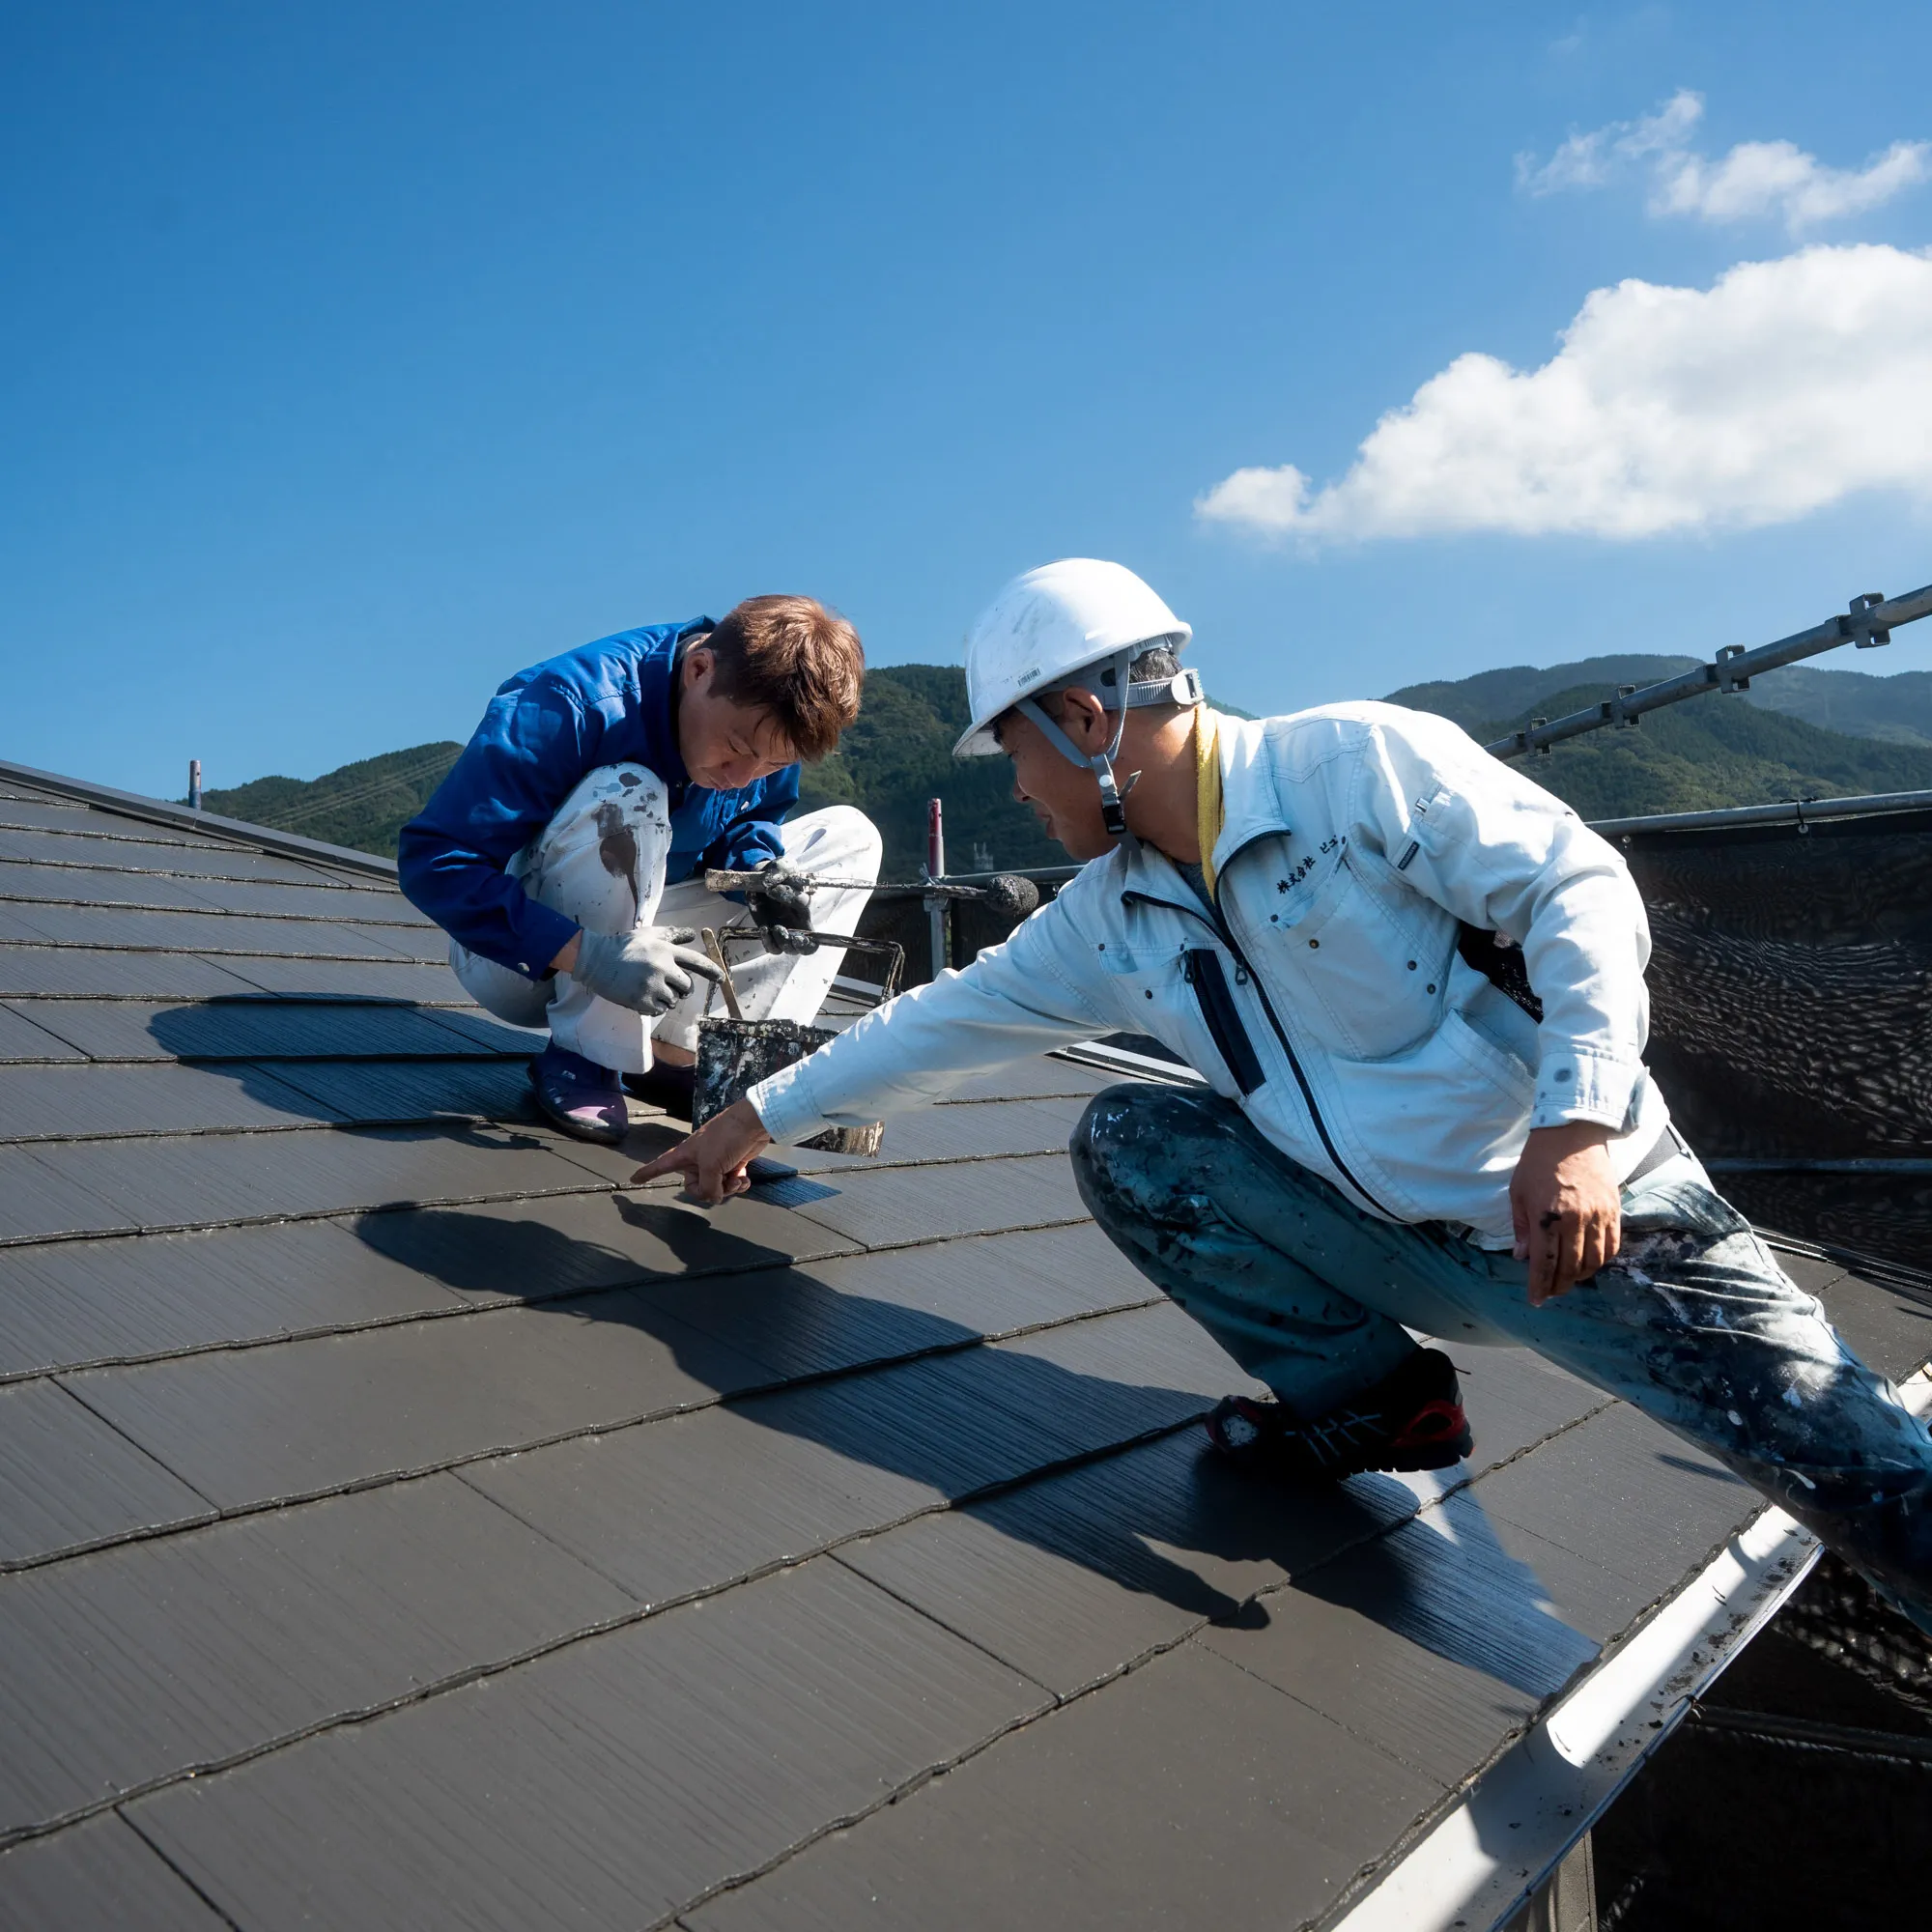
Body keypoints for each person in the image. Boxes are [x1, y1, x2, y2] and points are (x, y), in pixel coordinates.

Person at [638, 557, 1932, 1627]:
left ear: (1085, 722)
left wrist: (1582, 1125)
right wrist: (747, 1122)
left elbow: (1576, 891)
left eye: (1017, 757)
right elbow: (940, 1023)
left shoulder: (1349, 769)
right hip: (1387, 1240)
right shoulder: (1114, 914)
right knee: (1137, 1141)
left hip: (1586, 1227)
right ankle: (1377, 1404)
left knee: (1866, 1469)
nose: (1019, 793)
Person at [398, 596, 880, 1144]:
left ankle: (695, 1061)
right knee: (628, 791)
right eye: (737, 748)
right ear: (700, 670)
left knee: (850, 839)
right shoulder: (573, 702)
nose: (746, 776)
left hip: (651, 954)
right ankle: (589, 1052)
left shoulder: (760, 731)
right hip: (521, 959)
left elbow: (752, 819)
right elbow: (434, 860)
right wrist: (589, 953)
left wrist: (759, 871)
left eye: (774, 764)